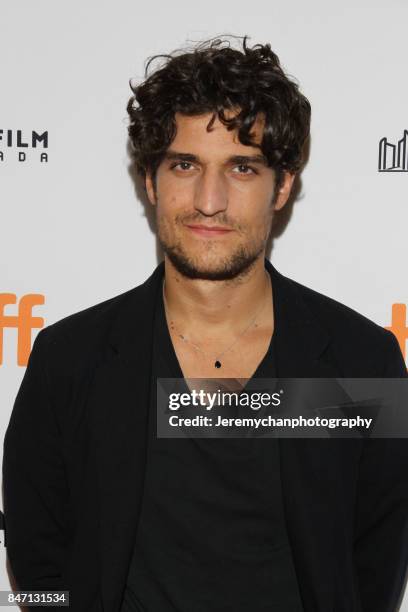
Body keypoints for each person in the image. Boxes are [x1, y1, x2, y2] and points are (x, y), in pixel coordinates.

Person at [3, 36, 408, 612]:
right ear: (151, 180)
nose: (209, 200)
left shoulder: (363, 363)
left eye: (242, 167)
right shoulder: (67, 360)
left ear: (283, 185)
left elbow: (376, 567)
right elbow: (38, 562)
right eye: (185, 165)